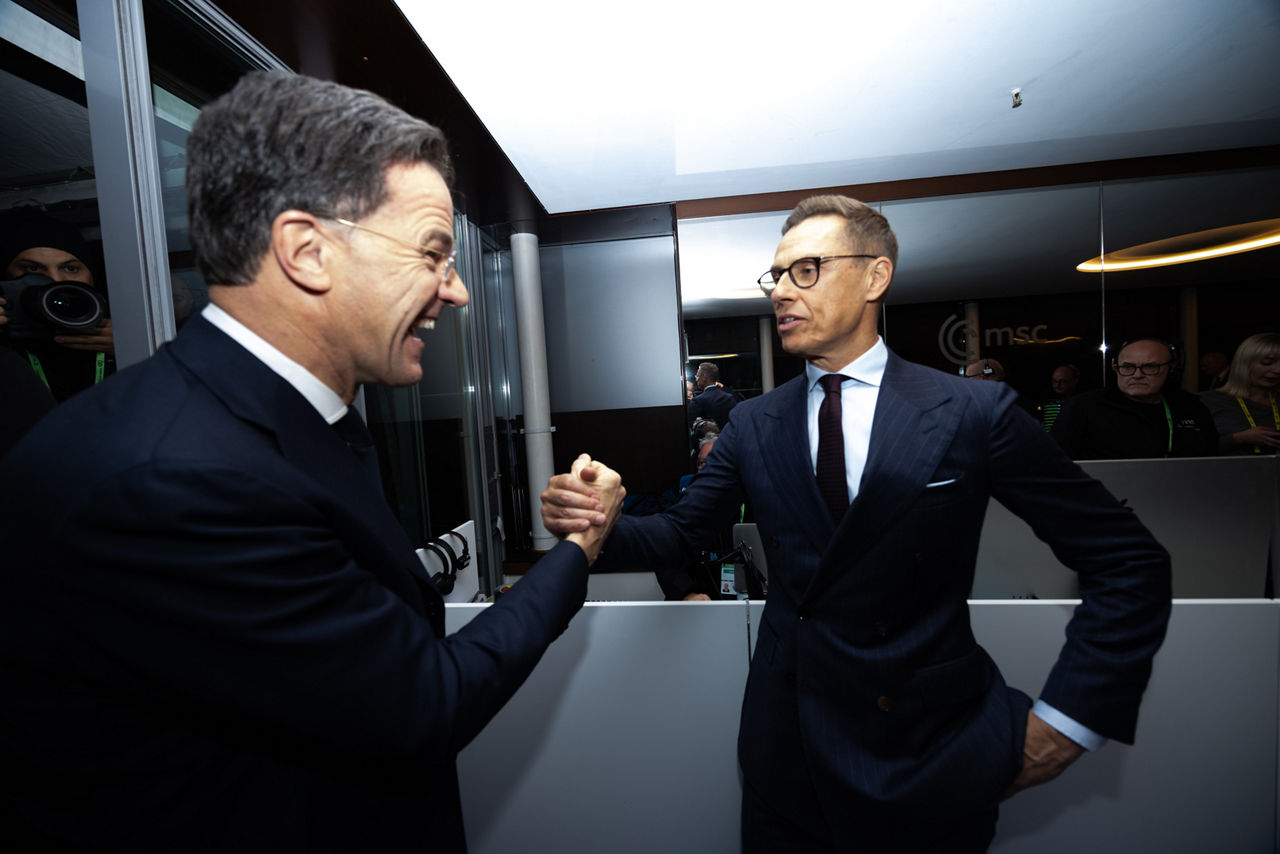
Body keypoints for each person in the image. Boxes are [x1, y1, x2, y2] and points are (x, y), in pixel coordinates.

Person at [0, 71, 624, 853]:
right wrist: (577, 551)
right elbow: (420, 706)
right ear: (307, 251)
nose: (457, 291)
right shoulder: (180, 478)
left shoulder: (281, 420)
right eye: (433, 253)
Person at [542, 194, 1171, 852]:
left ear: (876, 276)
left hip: (927, 753)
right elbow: (679, 533)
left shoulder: (970, 411)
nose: (782, 291)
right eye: (776, 275)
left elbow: (1127, 559)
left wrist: (1067, 725)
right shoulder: (754, 422)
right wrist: (593, 522)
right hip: (787, 757)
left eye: (806, 269)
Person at [0, 208, 116, 402]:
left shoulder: (118, 333)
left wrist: (135, 348)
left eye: (70, 268)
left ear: (92, 278)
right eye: (33, 268)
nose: (55, 280)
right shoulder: (7, 343)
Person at [1052, 338, 1216, 460]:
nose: (1137, 375)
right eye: (1127, 367)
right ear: (1116, 369)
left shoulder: (1191, 408)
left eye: (1149, 367)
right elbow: (1053, 464)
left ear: (1170, 370)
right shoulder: (1083, 407)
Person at [1200, 332, 1280, 454]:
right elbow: (1192, 449)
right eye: (1267, 362)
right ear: (1244, 364)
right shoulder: (1208, 401)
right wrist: (1238, 438)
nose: (1277, 370)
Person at [688, 360, 738, 428]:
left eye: (697, 376)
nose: (696, 379)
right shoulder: (729, 398)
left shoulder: (698, 401)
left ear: (704, 377)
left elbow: (691, 425)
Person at [1037, 363, 1079, 432]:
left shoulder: (1082, 402)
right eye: (1054, 381)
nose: (1057, 385)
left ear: (1075, 381)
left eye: (1063, 381)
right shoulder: (1045, 400)